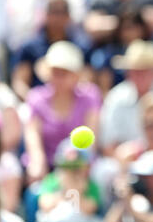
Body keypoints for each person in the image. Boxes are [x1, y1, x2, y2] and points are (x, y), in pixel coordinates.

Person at [23, 41, 102, 184]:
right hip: (48, 170)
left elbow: (92, 141)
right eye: (55, 72)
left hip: (81, 167)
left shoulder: (90, 96)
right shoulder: (36, 98)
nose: (58, 78)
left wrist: (74, 166)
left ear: (76, 75)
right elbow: (32, 136)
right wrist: (38, 163)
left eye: (63, 73)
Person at [99, 39, 153, 158]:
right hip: (127, 161)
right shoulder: (116, 97)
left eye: (145, 71)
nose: (139, 75)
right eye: (135, 71)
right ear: (127, 73)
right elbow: (109, 145)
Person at [11, 0, 92, 101]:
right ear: (45, 14)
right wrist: (37, 103)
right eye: (53, 12)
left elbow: (86, 81)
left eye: (62, 12)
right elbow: (19, 83)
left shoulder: (81, 47)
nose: (58, 17)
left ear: (69, 16)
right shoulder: (30, 47)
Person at [36, 138, 102, 222]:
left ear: (87, 167)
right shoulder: (51, 180)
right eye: (67, 167)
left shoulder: (91, 185)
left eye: (77, 167)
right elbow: (46, 205)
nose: (72, 171)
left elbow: (88, 209)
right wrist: (64, 189)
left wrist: (77, 192)